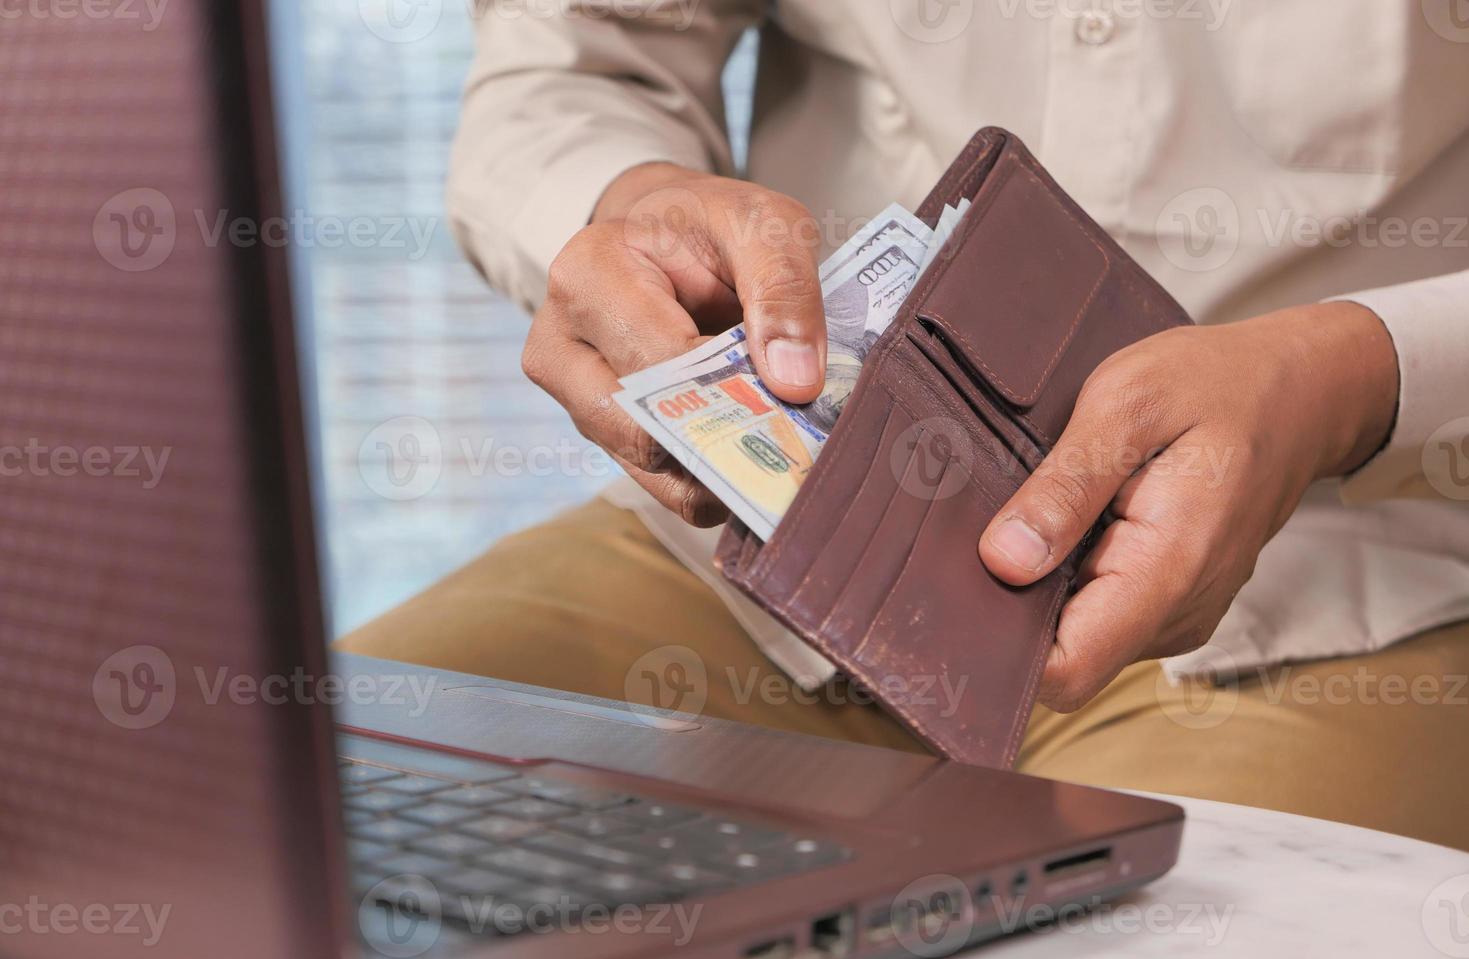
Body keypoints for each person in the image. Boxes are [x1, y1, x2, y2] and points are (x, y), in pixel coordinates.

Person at [340, 2, 1469, 850]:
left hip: (1325, 589)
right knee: (271, 813)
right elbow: (574, 55)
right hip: (760, 554)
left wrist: (1349, 374)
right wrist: (619, 207)